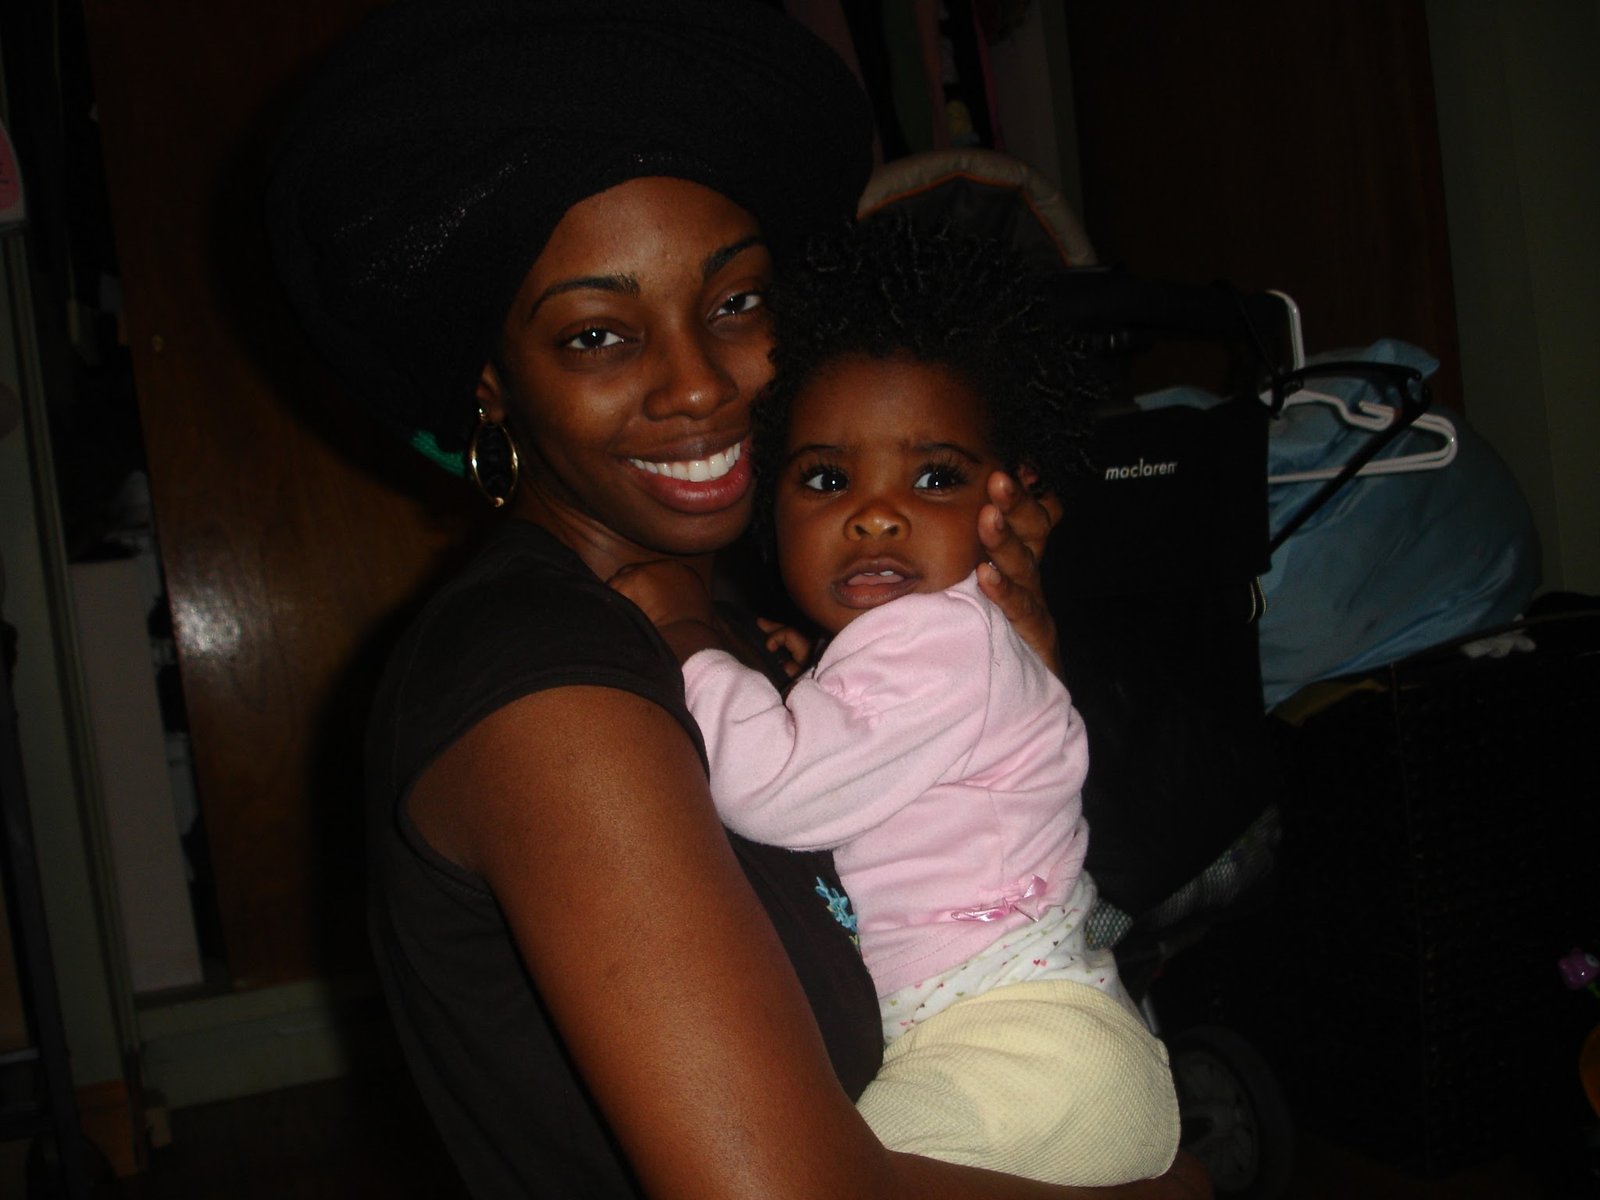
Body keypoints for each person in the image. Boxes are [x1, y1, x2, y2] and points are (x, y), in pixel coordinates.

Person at [265, 1, 1208, 1197]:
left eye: (736, 304)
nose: (699, 384)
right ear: (492, 383)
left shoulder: (766, 613)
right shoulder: (552, 695)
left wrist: (1015, 673)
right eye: (598, 335)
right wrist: (1174, 1191)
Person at [609, 215, 1179, 1186]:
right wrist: (809, 675)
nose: (874, 512)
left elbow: (774, 789)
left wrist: (686, 635)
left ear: (1007, 500)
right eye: (828, 478)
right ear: (774, 505)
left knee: (814, 1177)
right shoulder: (937, 640)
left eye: (933, 477)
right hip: (1025, 1036)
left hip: (1018, 1049)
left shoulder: (943, 639)